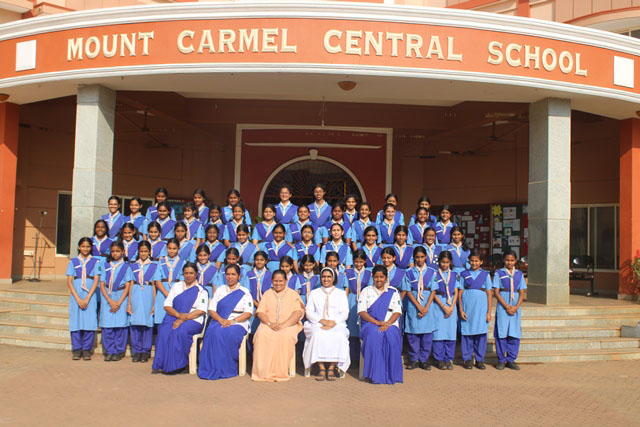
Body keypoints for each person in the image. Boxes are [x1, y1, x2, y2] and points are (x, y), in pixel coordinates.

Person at [198, 264, 254, 380]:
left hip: (238, 322)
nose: (230, 277)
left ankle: (226, 367)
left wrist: (233, 321)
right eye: (228, 274)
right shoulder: (220, 290)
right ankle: (211, 366)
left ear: (239, 276)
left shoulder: (245, 292)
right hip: (220, 319)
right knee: (212, 332)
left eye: (233, 274)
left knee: (226, 333)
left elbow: (248, 313)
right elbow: (212, 310)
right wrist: (221, 320)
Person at [152, 262, 208, 374]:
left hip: (193, 319)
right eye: (186, 273)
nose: (188, 276)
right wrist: (178, 315)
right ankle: (162, 363)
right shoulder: (176, 286)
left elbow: (201, 310)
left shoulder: (201, 290)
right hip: (174, 315)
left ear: (196, 274)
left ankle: (179, 365)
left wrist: (183, 319)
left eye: (191, 273)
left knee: (179, 331)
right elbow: (167, 305)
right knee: (164, 330)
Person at [251, 270, 305, 382]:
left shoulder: (293, 294)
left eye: (281, 281)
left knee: (285, 336)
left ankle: (280, 372)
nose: (278, 283)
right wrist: (269, 324)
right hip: (268, 324)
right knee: (261, 335)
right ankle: (262, 372)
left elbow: (298, 313)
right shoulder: (267, 293)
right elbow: (260, 312)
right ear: (272, 281)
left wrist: (284, 325)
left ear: (286, 281)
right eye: (275, 281)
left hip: (288, 325)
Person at [303, 267, 351, 381]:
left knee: (339, 335)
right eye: (323, 277)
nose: (326, 279)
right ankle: (321, 368)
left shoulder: (341, 293)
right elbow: (309, 312)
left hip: (336, 323)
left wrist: (333, 322)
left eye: (329, 277)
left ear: (333, 278)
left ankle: (331, 368)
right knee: (317, 334)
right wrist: (322, 321)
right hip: (318, 322)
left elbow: (345, 312)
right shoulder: (314, 293)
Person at [358, 265, 403, 385]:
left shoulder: (393, 291)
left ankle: (390, 374)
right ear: (372, 277)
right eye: (376, 277)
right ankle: (373, 375)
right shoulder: (366, 291)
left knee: (391, 336)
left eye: (381, 277)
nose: (379, 280)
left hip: (390, 323)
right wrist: (376, 322)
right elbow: (361, 311)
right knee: (374, 335)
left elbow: (397, 311)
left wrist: (388, 323)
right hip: (370, 323)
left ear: (386, 278)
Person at [66, 237, 101, 360]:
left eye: (88, 246)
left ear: (91, 248)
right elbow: (69, 281)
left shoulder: (96, 262)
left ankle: (86, 349)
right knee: (75, 322)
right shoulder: (73, 262)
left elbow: (96, 280)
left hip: (90, 296)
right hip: (76, 296)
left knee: (89, 322)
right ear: (79, 247)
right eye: (83, 246)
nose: (85, 249)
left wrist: (87, 298)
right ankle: (76, 349)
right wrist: (78, 298)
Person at [402, 246, 437, 370]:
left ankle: (424, 360)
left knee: (427, 335)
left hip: (427, 304)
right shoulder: (409, 272)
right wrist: (418, 306)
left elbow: (433, 290)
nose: (420, 259)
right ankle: (414, 359)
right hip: (414, 305)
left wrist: (425, 307)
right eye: (417, 257)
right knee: (413, 334)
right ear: (414, 258)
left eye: (422, 257)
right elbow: (408, 290)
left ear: (426, 257)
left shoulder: (432, 272)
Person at [99, 241, 133, 361]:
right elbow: (102, 284)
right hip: (107, 296)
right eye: (113, 251)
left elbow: (128, 285)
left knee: (120, 326)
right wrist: (109, 300)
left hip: (121, 296)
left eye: (117, 251)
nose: (115, 253)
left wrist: (119, 302)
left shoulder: (126, 266)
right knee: (107, 326)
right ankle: (109, 350)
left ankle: (118, 351)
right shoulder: (106, 265)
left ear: (122, 251)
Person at [459, 249, 493, 370]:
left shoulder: (485, 275)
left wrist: (489, 312)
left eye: (476, 261)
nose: (474, 263)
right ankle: (467, 359)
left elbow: (489, 293)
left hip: (481, 308)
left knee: (480, 334)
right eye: (472, 261)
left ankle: (479, 359)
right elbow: (460, 293)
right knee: (467, 334)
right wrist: (461, 309)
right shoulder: (464, 274)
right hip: (468, 307)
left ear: (481, 262)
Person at [493, 250, 526, 371]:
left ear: (515, 261)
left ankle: (511, 359)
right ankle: (501, 359)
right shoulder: (499, 273)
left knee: (514, 333)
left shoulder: (519, 274)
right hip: (503, 306)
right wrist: (506, 306)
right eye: (507, 260)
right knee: (501, 333)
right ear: (503, 260)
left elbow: (522, 292)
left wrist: (516, 307)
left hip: (515, 307)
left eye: (512, 260)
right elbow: (496, 292)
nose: (509, 262)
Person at [128, 241, 160, 363]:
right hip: (136, 293)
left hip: (148, 293)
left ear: (149, 252)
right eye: (141, 251)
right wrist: (129, 303)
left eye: (145, 251)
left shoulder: (153, 266)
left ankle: (145, 351)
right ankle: (136, 351)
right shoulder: (133, 266)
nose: (143, 253)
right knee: (135, 323)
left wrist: (154, 304)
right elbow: (131, 284)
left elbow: (154, 285)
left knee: (147, 323)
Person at [429, 251, 462, 370]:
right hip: (439, 305)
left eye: (447, 262)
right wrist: (443, 307)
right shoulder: (434, 274)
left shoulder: (454, 275)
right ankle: (439, 359)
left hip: (451, 304)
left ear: (450, 262)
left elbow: (456, 291)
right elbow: (433, 292)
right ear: (439, 262)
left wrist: (452, 306)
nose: (444, 264)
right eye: (442, 262)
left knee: (450, 333)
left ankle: (448, 358)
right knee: (439, 333)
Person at [344, 250, 371, 361]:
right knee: (352, 329)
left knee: (363, 328)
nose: (358, 264)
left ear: (364, 261)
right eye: (356, 262)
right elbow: (346, 288)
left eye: (361, 262)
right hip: (352, 300)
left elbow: (370, 289)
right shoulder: (348, 272)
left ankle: (362, 358)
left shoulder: (369, 273)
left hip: (364, 301)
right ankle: (352, 357)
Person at [155, 238, 184, 326]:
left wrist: (173, 294)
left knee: (173, 321)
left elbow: (183, 281)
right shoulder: (161, 262)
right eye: (169, 248)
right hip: (162, 294)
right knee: (161, 321)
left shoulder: (182, 262)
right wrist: (166, 293)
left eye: (174, 248)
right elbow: (157, 280)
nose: (171, 251)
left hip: (176, 294)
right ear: (166, 248)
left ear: (178, 248)